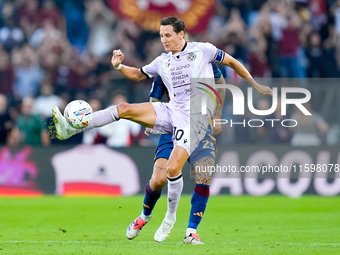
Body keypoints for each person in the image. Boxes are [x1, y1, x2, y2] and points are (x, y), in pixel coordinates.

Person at [51, 16, 272, 242]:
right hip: (171, 111)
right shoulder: (163, 61)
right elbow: (138, 74)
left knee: (174, 169)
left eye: (168, 35)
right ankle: (71, 128)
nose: (164, 40)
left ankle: (171, 217)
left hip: (194, 119)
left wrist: (255, 85)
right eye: (161, 36)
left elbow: (232, 64)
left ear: (181, 34)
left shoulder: (203, 51)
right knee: (124, 108)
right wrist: (118, 67)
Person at [126, 63, 226, 244]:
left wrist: (217, 115)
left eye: (168, 37)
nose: (167, 43)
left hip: (201, 128)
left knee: (204, 175)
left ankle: (191, 231)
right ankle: (144, 216)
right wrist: (151, 122)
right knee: (158, 179)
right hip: (173, 128)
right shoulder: (165, 67)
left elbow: (220, 84)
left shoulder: (205, 61)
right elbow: (155, 99)